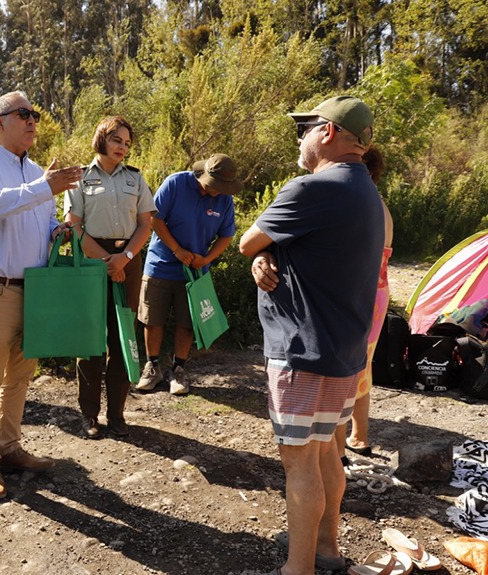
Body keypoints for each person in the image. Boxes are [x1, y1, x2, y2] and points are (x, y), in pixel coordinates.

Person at [240, 95, 382, 575]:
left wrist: (263, 252)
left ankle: (296, 568)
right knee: (326, 453)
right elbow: (314, 252)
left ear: (326, 132)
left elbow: (246, 242)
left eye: (304, 129)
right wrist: (271, 256)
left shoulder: (311, 189)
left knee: (298, 464)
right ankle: (327, 549)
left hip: (301, 351)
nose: (300, 140)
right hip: (344, 352)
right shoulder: (367, 192)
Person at [0, 90, 84, 500]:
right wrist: (43, 187)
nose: (32, 121)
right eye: (23, 114)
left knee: (20, 379)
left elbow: (41, 219)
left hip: (35, 291)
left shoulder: (33, 171)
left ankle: (10, 449)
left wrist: (57, 230)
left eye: (35, 115)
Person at [64, 116, 156, 439]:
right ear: (102, 138)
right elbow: (75, 226)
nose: (123, 147)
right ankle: (89, 414)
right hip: (93, 260)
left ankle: (117, 414)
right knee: (90, 339)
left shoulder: (135, 178)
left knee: (122, 338)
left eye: (127, 143)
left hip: (128, 261)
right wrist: (106, 260)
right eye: (118, 140)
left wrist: (124, 258)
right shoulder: (80, 179)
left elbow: (146, 224)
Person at [134, 153, 239, 395]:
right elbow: (154, 219)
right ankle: (152, 367)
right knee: (152, 319)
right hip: (160, 264)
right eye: (215, 186)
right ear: (203, 176)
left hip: (195, 272)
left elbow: (226, 235)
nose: (217, 191)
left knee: (188, 322)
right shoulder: (175, 183)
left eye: (223, 188)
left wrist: (207, 259)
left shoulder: (224, 199)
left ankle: (178, 370)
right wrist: (177, 250)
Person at [337, 145, 393, 462]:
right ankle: (359, 437)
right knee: (363, 364)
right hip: (379, 295)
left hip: (358, 294)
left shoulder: (357, 203)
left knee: (344, 365)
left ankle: (337, 443)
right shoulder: (382, 206)